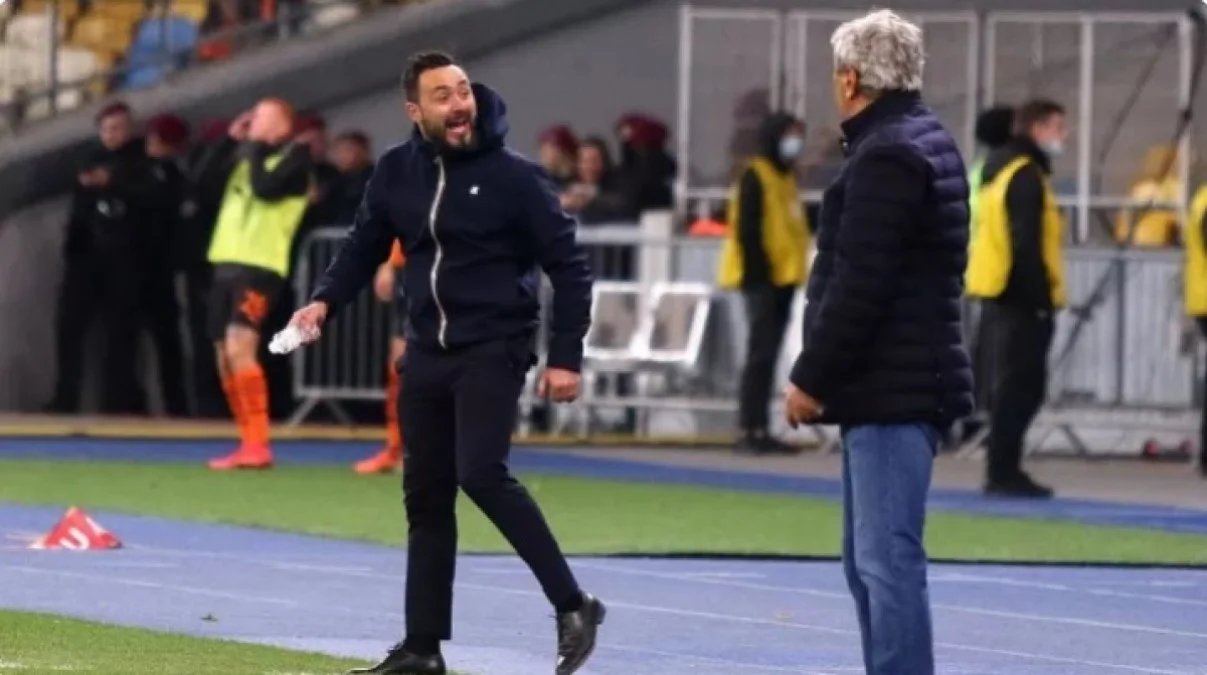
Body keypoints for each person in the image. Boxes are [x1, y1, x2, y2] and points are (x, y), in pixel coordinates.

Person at [286, 51, 604, 675]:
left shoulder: (516, 177)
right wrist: (323, 301)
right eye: (443, 96)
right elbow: (362, 246)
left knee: (481, 474)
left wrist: (566, 356)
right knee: (426, 497)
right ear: (416, 111)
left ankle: (574, 605)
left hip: (494, 346)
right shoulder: (395, 171)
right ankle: (422, 649)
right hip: (427, 350)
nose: (460, 104)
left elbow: (569, 268)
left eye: (463, 91)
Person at [781, 10, 973, 675]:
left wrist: (810, 376)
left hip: (894, 382)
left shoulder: (887, 154)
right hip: (899, 375)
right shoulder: (923, 138)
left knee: (885, 562)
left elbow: (861, 282)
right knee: (869, 562)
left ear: (850, 78)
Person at [965, 99, 1068, 499]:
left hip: (1001, 289)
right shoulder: (1024, 175)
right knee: (1021, 386)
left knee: (1015, 384)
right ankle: (1003, 469)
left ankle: (1003, 465)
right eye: (1057, 127)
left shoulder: (1000, 169)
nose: (1063, 135)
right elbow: (1026, 242)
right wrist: (1039, 296)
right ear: (1037, 129)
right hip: (1020, 295)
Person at [205, 98, 313, 470]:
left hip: (261, 267)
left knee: (241, 344)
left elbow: (266, 188)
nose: (252, 122)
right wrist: (226, 142)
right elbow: (201, 183)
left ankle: (258, 443)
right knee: (223, 355)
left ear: (283, 126)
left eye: (262, 117)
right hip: (225, 263)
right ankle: (246, 439)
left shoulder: (297, 158)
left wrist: (250, 148)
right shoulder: (246, 157)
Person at [48, 101, 152, 415]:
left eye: (118, 128)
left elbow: (148, 200)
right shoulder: (88, 160)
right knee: (69, 330)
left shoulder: (141, 162)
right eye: (107, 129)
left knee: (120, 336)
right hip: (85, 260)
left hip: (124, 263)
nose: (112, 135)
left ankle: (117, 403)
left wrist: (114, 182)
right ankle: (65, 399)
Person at [716, 111, 810, 455]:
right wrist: (761, 274)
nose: (795, 142)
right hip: (761, 279)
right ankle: (749, 427)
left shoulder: (785, 176)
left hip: (784, 277)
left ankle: (761, 427)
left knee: (768, 355)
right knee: (760, 354)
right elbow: (748, 229)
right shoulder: (756, 174)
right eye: (790, 134)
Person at [353, 240, 408, 475]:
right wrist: (389, 263)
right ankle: (397, 449)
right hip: (413, 265)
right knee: (400, 366)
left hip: (453, 265)